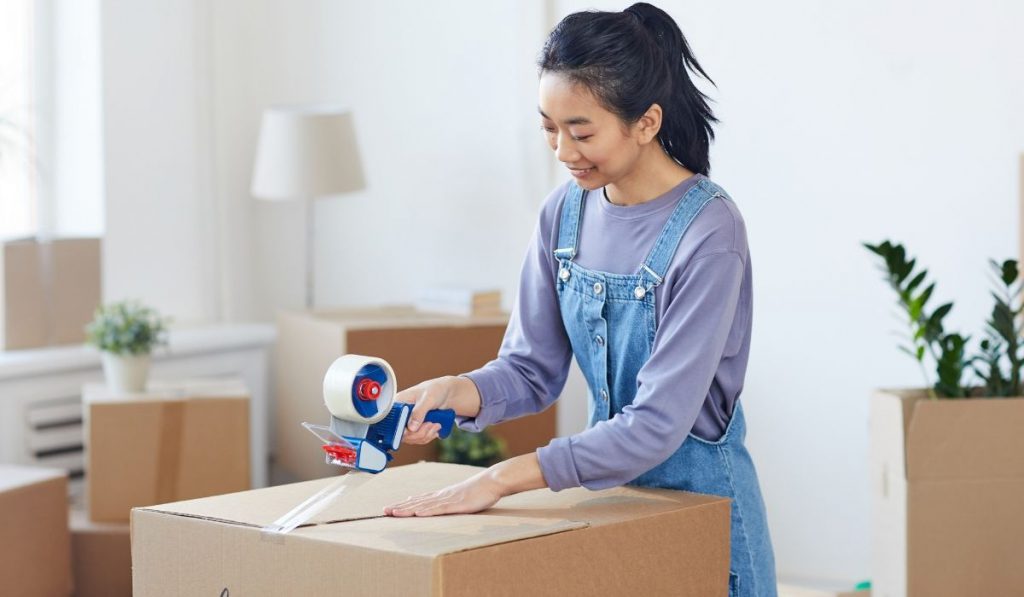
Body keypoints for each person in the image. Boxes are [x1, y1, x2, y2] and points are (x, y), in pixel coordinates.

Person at [383, 3, 776, 595]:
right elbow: (531, 370)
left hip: (704, 514)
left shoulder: (709, 232)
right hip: (609, 505)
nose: (563, 152)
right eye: (549, 127)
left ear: (645, 122)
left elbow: (655, 426)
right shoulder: (562, 215)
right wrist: (454, 393)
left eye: (581, 130)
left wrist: (500, 479)